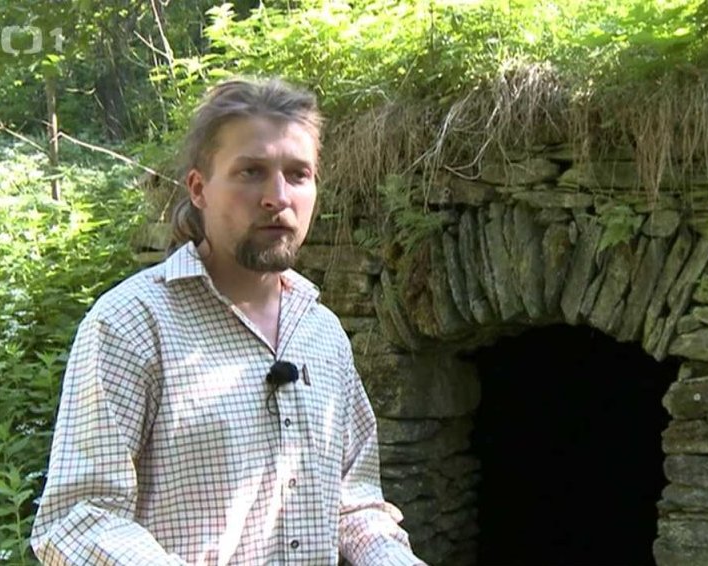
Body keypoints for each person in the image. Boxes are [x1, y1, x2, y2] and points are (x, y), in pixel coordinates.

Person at [30, 77, 425, 566]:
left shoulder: (322, 333)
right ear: (199, 189)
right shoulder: (131, 324)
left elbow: (353, 502)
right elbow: (78, 517)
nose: (277, 196)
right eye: (251, 172)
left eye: (298, 174)